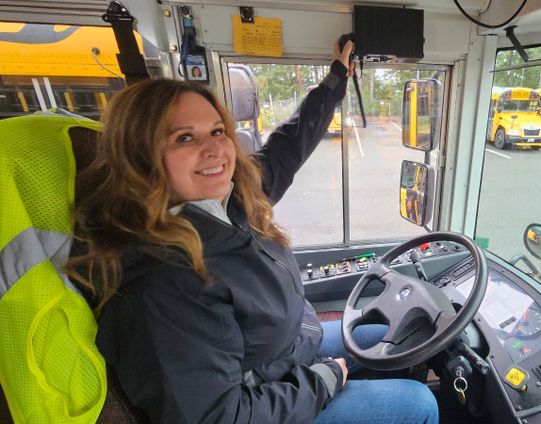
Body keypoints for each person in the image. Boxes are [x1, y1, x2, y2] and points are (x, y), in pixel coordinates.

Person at [66, 38, 439, 423]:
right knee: (419, 403)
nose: (214, 151)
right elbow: (218, 416)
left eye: (216, 131)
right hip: (265, 398)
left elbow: (287, 147)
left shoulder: (230, 199)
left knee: (404, 334)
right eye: (184, 138)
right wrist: (322, 383)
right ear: (139, 156)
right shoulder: (163, 282)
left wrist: (335, 80)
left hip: (289, 349)